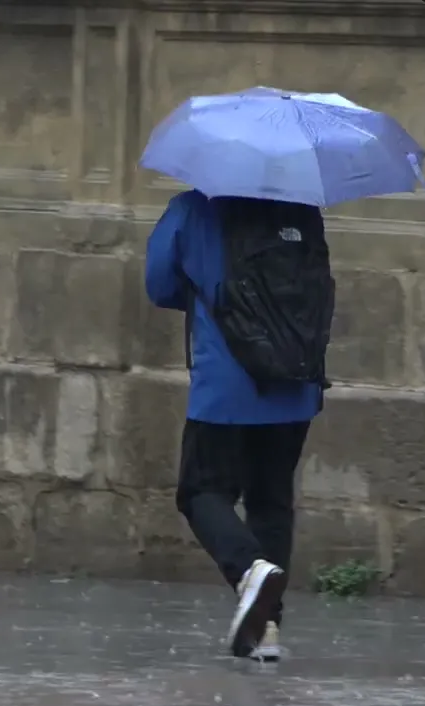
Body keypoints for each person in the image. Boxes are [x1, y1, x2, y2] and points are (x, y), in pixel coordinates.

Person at [143, 189, 332, 661]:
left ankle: (249, 570)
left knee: (200, 491)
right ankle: (265, 630)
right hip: (294, 381)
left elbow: (159, 283)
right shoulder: (302, 207)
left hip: (228, 384)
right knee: (271, 501)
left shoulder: (194, 206)